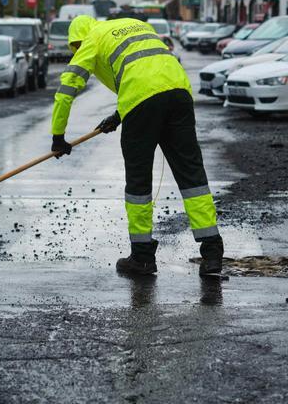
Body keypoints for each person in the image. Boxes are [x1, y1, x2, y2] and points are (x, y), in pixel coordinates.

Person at [49, 15, 224, 276]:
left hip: (143, 104)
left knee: (139, 182)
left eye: (75, 45)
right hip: (179, 93)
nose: (76, 50)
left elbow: (67, 89)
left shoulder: (92, 38)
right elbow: (146, 72)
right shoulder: (135, 25)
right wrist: (119, 116)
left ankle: (142, 258)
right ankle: (212, 254)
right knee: (192, 176)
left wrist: (58, 137)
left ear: (80, 38)